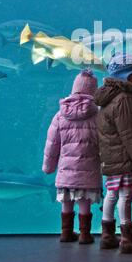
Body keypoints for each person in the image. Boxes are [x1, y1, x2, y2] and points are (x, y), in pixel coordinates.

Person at [95, 53, 132, 254]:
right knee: (126, 195)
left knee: (111, 194)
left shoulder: (107, 97)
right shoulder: (125, 99)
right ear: (126, 76)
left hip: (112, 157)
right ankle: (127, 239)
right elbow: (130, 133)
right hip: (125, 156)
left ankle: (107, 235)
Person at [43, 70, 102, 244]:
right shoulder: (97, 114)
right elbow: (104, 142)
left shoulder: (60, 115)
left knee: (67, 201)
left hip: (66, 172)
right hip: (89, 171)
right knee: (84, 202)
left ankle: (66, 233)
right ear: (94, 91)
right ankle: (84, 235)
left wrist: (48, 167)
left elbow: (52, 144)